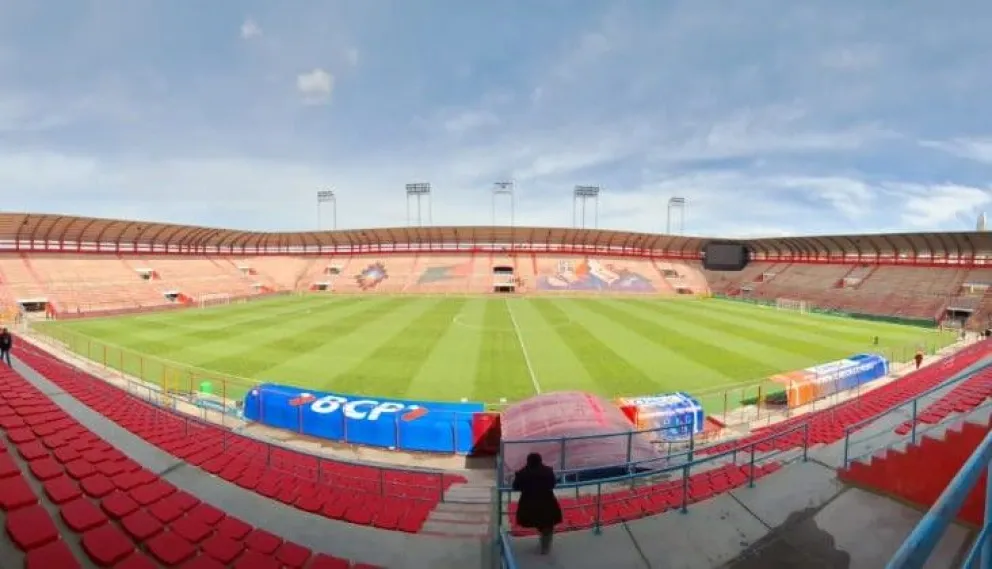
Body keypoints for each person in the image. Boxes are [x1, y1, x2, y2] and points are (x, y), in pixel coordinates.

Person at [512, 452, 563, 555]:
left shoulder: (522, 473)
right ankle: (545, 546)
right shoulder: (548, 471)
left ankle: (543, 540)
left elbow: (515, 487)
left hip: (528, 504)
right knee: (547, 524)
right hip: (547, 502)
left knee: (537, 522)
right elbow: (552, 484)